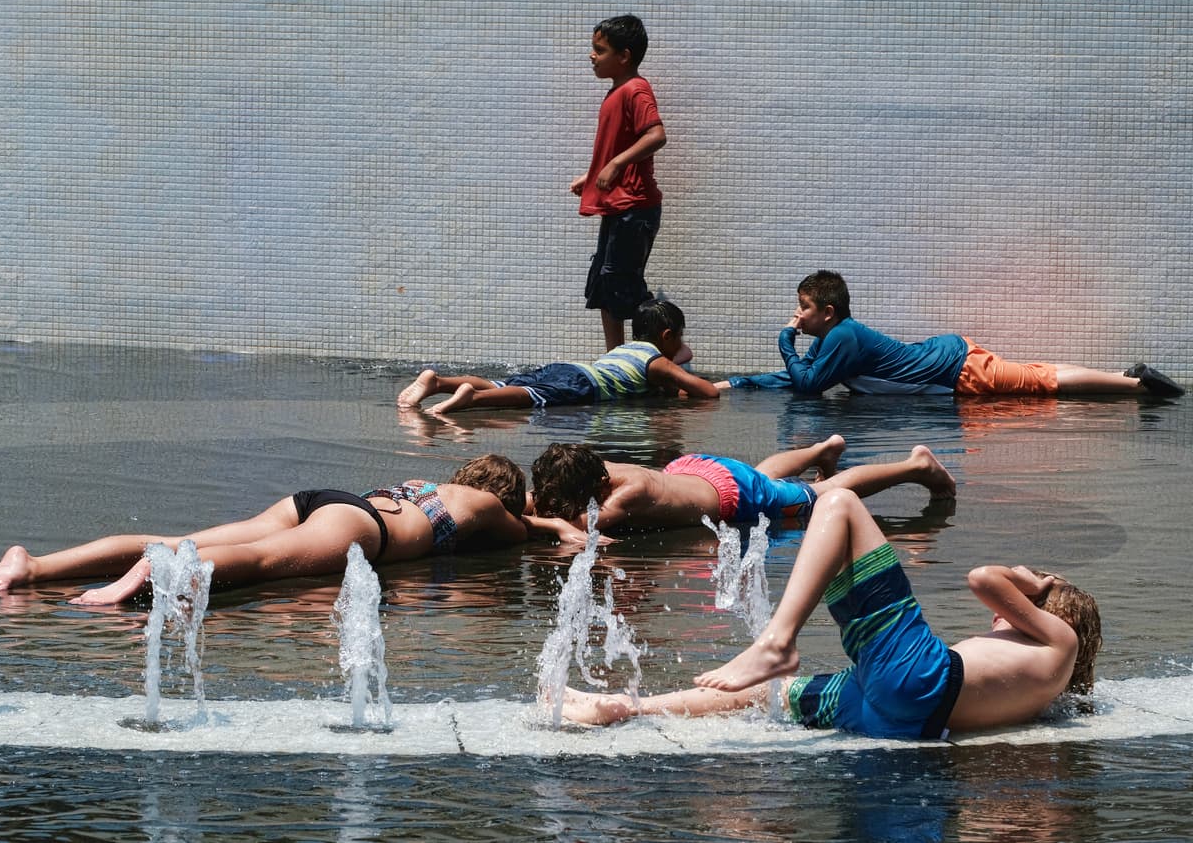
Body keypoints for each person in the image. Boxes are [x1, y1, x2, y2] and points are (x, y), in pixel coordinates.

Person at [560, 489, 1102, 740]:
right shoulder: (1044, 689)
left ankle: (778, 640)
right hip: (896, 715)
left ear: (1052, 612)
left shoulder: (1061, 644)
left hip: (921, 680)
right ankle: (626, 709)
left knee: (840, 502)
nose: (1000, 620)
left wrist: (1036, 582)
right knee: (770, 692)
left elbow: (984, 578)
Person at [0, 455, 572, 605]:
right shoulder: (488, 508)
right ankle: (140, 579)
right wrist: (560, 529)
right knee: (259, 562)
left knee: (192, 535)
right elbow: (524, 532)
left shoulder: (431, 485)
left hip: (324, 500)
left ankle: (32, 566)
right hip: (361, 529)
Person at [721, 270, 1185, 398]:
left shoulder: (841, 338)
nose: (796, 316)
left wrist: (785, 339)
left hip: (959, 372)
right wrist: (736, 384)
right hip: (951, 356)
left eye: (803, 309)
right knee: (1036, 373)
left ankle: (1134, 385)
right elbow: (797, 378)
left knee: (1041, 383)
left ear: (827, 311)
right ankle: (1124, 376)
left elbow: (805, 385)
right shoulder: (834, 339)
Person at [526, 435, 955, 536]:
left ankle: (915, 466)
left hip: (735, 497)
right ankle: (823, 449)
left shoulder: (627, 495)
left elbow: (581, 530)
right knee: (762, 474)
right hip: (696, 469)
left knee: (818, 497)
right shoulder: (594, 466)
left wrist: (532, 518)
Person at [397, 298, 717, 415]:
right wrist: (679, 367)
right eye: (680, 338)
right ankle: (474, 399)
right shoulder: (657, 361)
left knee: (506, 382)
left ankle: (438, 382)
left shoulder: (625, 350)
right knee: (530, 397)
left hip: (570, 368)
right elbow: (709, 392)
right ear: (667, 337)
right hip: (582, 384)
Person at [572, 14, 667, 352]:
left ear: (623, 55)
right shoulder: (616, 92)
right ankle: (614, 357)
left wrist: (614, 164)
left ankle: (670, 348)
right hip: (618, 205)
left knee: (624, 284)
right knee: (604, 283)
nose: (592, 55)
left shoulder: (635, 90)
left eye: (599, 50)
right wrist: (595, 173)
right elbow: (618, 144)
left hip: (635, 208)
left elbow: (656, 135)